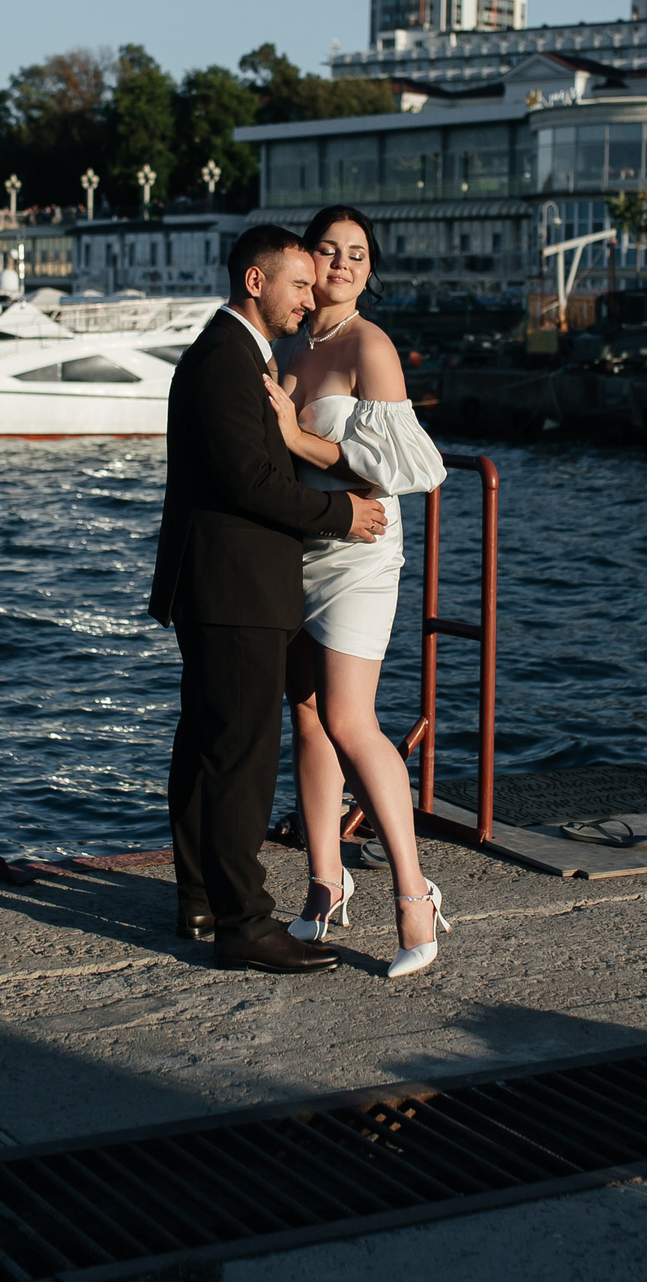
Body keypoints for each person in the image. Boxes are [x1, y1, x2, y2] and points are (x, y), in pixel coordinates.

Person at [151, 224, 390, 973]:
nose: (309, 295)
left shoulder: (231, 355)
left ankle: (200, 896)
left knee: (206, 742)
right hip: (237, 585)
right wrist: (341, 515)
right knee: (240, 757)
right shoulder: (226, 360)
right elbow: (249, 483)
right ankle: (245, 922)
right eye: (296, 283)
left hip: (220, 581)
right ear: (255, 283)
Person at [261, 207, 453, 978]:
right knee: (305, 719)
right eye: (328, 250)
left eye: (356, 254)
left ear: (369, 271)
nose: (340, 263)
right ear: (306, 256)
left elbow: (398, 470)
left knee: (348, 716)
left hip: (360, 548)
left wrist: (296, 436)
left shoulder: (369, 346)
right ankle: (324, 885)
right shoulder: (285, 343)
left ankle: (414, 893)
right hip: (294, 546)